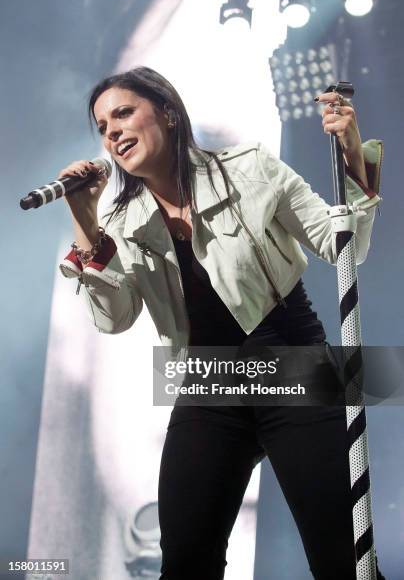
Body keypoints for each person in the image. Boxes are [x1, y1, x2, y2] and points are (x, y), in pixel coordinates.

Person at [59, 67, 384, 579]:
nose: (112, 132)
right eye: (102, 126)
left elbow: (344, 245)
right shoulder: (122, 221)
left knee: (341, 561)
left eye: (122, 113)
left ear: (166, 111)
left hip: (292, 363)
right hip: (207, 383)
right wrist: (85, 220)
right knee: (187, 563)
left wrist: (350, 151)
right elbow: (115, 319)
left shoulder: (249, 168)